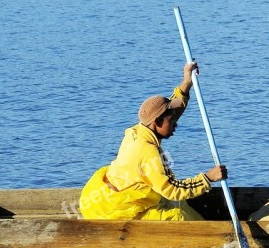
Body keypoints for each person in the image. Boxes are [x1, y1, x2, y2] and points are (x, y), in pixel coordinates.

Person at [79, 62, 227, 221]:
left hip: (114, 194)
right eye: (171, 122)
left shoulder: (138, 130)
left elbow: (172, 112)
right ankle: (213, 239)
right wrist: (208, 178)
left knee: (178, 203)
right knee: (178, 217)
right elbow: (172, 189)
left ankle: (209, 229)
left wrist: (186, 83)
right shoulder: (148, 152)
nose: (176, 123)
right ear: (156, 122)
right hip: (118, 210)